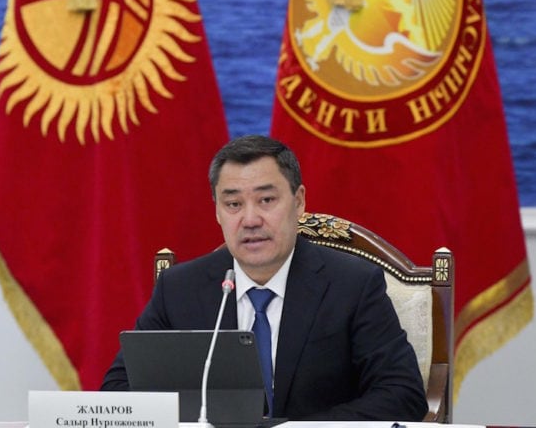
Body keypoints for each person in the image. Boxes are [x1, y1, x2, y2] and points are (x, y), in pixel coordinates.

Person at [101, 135, 428, 421]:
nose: (250, 219)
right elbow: (119, 390)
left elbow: (402, 394)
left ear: (298, 202)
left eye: (266, 200)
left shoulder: (353, 285)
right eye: (233, 204)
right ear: (216, 210)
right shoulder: (180, 288)